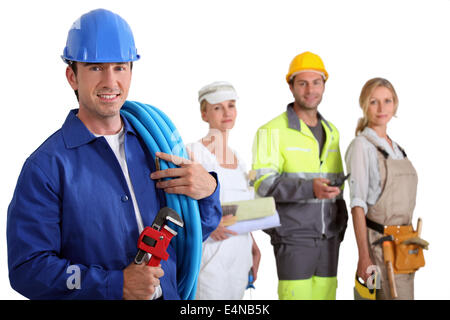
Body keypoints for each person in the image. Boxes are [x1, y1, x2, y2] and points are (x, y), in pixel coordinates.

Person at [6, 8, 221, 300]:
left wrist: (209, 191)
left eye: (120, 67)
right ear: (72, 76)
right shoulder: (47, 167)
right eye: (96, 68)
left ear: (131, 71)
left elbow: (190, 239)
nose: (110, 81)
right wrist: (113, 284)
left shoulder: (155, 148)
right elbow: (29, 270)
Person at [251, 52, 348, 300]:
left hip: (329, 239)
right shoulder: (271, 131)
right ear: (291, 86)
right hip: (294, 239)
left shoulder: (333, 132)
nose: (310, 90)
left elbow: (339, 186)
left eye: (316, 82)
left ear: (325, 84)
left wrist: (341, 225)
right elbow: (262, 185)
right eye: (302, 83)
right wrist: (309, 188)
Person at [186, 81, 261, 300]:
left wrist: (253, 246)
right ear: (204, 113)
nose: (226, 112)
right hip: (210, 256)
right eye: (218, 107)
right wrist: (210, 223)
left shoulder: (239, 160)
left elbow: (242, 210)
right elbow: (180, 206)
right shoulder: (193, 153)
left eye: (231, 105)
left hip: (239, 254)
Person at [345, 78, 419, 299]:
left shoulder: (397, 149)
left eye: (387, 101)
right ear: (364, 105)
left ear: (395, 104)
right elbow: (357, 205)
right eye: (374, 102)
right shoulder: (361, 146)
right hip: (378, 252)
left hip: (404, 250)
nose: (381, 108)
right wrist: (364, 258)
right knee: (376, 296)